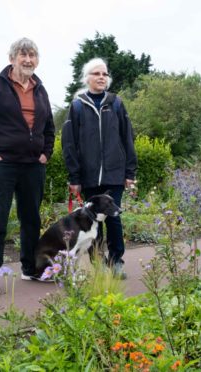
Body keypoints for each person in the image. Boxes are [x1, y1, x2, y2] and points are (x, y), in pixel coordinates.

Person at [0, 38, 55, 295]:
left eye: (32, 55)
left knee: (31, 219)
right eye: (23, 55)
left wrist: (45, 154)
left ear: (37, 60)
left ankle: (30, 269)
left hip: (33, 166)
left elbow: (49, 127)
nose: (28, 60)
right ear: (12, 58)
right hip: (2, 165)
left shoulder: (40, 89)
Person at [61, 58, 138, 279]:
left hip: (114, 174)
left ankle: (116, 261)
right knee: (92, 221)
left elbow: (127, 138)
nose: (101, 77)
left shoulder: (116, 103)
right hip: (89, 177)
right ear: (87, 78)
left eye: (104, 74)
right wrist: (74, 176)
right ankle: (97, 263)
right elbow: (69, 144)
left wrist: (129, 172)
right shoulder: (77, 106)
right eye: (96, 74)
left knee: (113, 218)